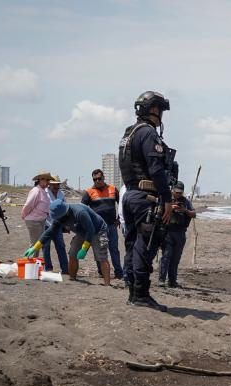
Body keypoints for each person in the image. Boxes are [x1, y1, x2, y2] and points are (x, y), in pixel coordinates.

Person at [118, 90, 174, 311]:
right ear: (154, 110)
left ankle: (133, 292)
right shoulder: (148, 133)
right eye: (160, 111)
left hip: (130, 195)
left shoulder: (128, 133)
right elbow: (156, 169)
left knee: (132, 245)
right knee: (146, 244)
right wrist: (167, 199)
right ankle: (141, 294)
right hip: (145, 197)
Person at [24, 200, 112, 286]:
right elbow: (49, 232)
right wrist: (35, 247)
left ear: (65, 213)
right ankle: (72, 279)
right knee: (73, 253)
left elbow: (90, 230)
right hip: (81, 232)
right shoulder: (59, 217)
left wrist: (84, 248)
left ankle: (107, 285)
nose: (59, 219)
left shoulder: (80, 213)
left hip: (97, 231)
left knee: (101, 257)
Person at [81, 169, 124, 280]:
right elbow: (82, 209)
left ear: (104, 177)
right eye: (95, 179)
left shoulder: (113, 189)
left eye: (100, 178)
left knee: (114, 250)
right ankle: (101, 272)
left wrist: (119, 218)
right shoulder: (89, 192)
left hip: (111, 225)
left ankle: (119, 273)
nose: (98, 181)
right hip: (97, 228)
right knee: (99, 250)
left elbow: (121, 205)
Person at [158, 181, 196, 288]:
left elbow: (194, 214)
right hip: (168, 232)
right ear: (173, 190)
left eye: (180, 192)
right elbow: (159, 213)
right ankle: (161, 280)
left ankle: (172, 281)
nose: (178, 194)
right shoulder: (167, 200)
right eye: (176, 192)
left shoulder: (186, 202)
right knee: (166, 256)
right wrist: (170, 208)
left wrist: (185, 210)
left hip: (180, 233)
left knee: (175, 259)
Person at [21, 172, 55, 257]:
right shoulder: (36, 191)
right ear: (40, 180)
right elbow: (28, 205)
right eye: (46, 179)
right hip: (34, 221)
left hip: (40, 220)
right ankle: (30, 263)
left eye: (48, 180)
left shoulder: (43, 191)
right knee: (35, 244)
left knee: (37, 243)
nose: (48, 182)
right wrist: (24, 215)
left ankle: (32, 263)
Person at [42, 176, 69, 274]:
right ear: (50, 184)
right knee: (46, 247)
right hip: (46, 224)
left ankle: (65, 269)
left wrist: (66, 224)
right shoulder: (44, 193)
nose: (57, 186)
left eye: (58, 184)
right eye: (55, 185)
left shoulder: (61, 194)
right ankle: (48, 268)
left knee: (61, 246)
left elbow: (66, 208)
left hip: (58, 224)